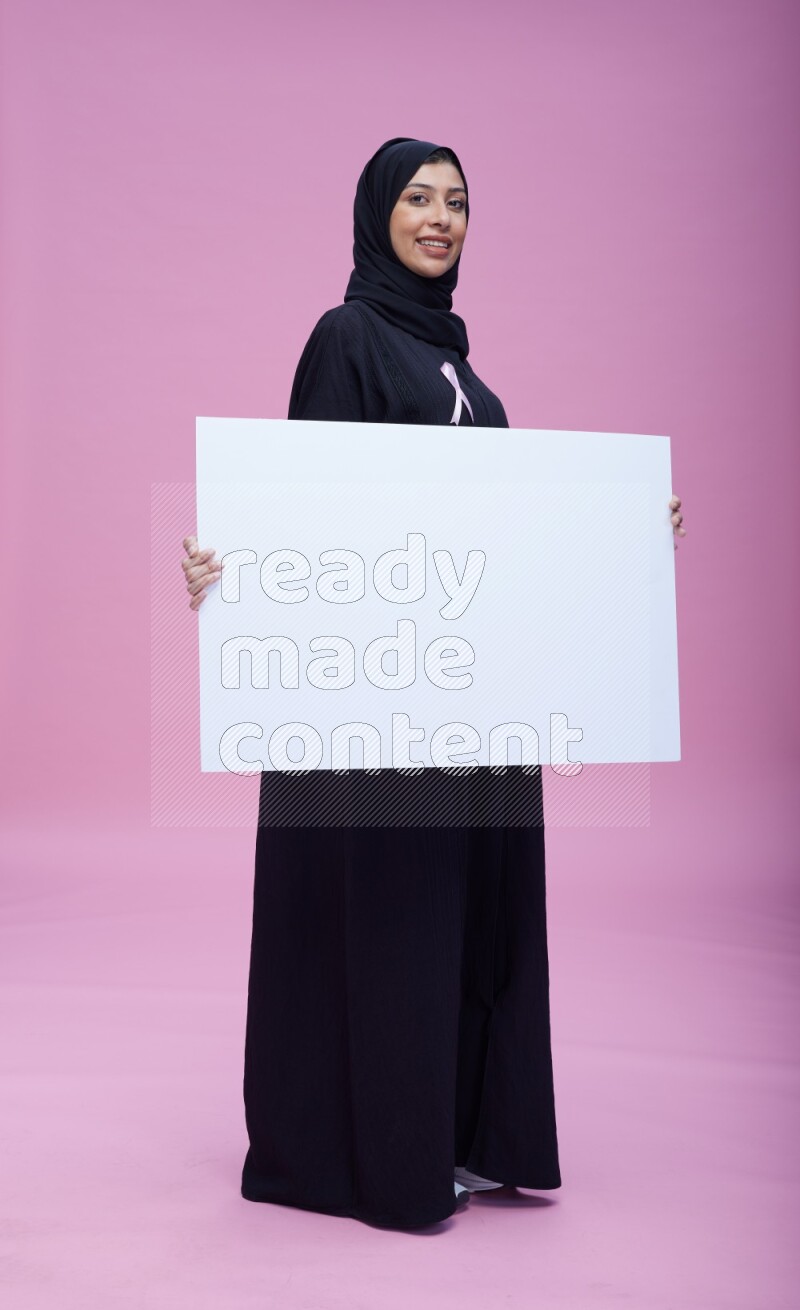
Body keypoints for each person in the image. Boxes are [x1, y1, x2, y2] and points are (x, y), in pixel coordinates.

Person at [181, 137, 687, 1229]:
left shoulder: (471, 377)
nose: (439, 217)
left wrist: (629, 532)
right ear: (375, 212)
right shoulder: (348, 338)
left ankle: (460, 1133)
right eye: (417, 197)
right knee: (394, 911)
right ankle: (368, 1156)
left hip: (474, 710)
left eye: (457, 201)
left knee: (470, 913)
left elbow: (505, 549)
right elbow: (307, 510)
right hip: (380, 719)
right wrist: (231, 568)